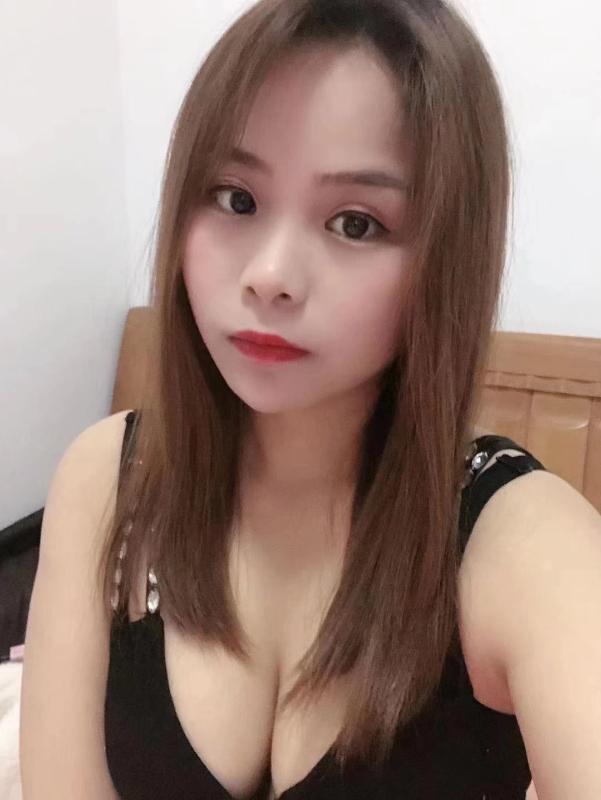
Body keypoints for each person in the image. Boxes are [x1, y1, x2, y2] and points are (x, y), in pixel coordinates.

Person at [19, 1, 601, 798]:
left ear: (444, 257)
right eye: (235, 198)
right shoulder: (108, 479)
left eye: (355, 223)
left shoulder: (526, 543)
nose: (270, 275)